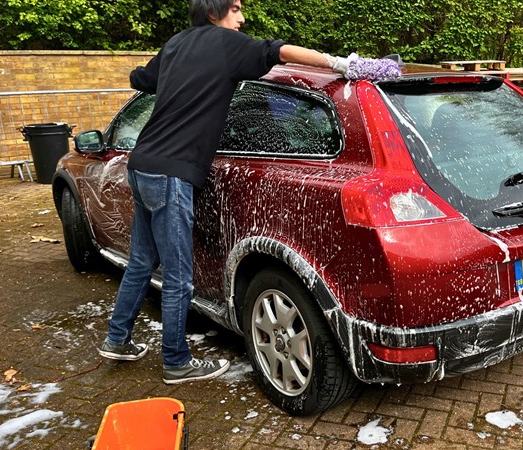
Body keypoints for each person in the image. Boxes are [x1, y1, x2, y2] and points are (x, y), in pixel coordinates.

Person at [98, 0, 351, 384]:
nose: (242, 17)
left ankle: (117, 339)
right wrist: (338, 64)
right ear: (215, 10)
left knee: (141, 262)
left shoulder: (176, 43)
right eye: (235, 8)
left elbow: (142, 79)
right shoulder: (227, 44)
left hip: (142, 164)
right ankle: (176, 362)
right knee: (180, 277)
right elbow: (279, 51)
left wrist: (147, 75)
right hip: (172, 174)